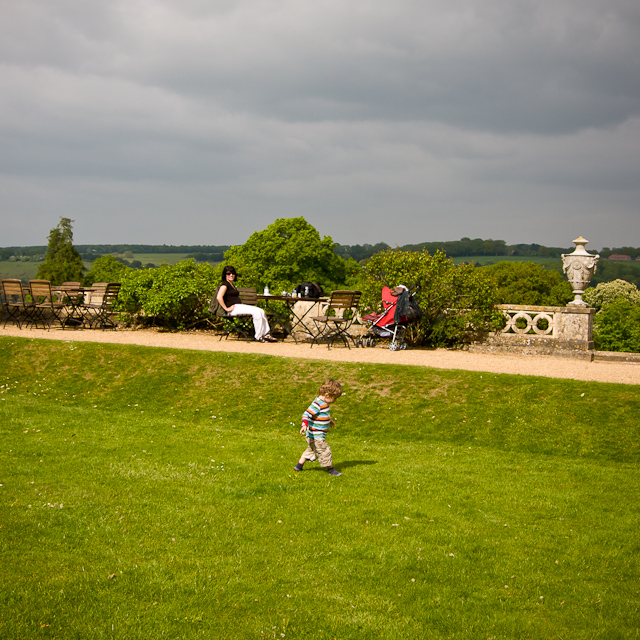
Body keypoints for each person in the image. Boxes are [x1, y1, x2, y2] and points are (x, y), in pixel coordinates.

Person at [294, 379, 343, 476]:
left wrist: (329, 421)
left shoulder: (323, 403)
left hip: (314, 434)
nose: (335, 401)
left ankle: (299, 466)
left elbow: (320, 416)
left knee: (312, 450)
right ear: (327, 395)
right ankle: (331, 469)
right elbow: (306, 414)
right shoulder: (317, 404)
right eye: (334, 398)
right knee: (325, 450)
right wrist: (304, 425)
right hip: (317, 435)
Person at [216, 266, 277, 342]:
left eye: (233, 273)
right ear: (225, 275)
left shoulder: (231, 285)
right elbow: (219, 297)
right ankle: (258, 336)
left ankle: (266, 334)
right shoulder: (225, 285)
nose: (231, 275)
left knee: (261, 311)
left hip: (239, 306)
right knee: (256, 312)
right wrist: (226, 308)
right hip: (234, 308)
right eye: (228, 273)